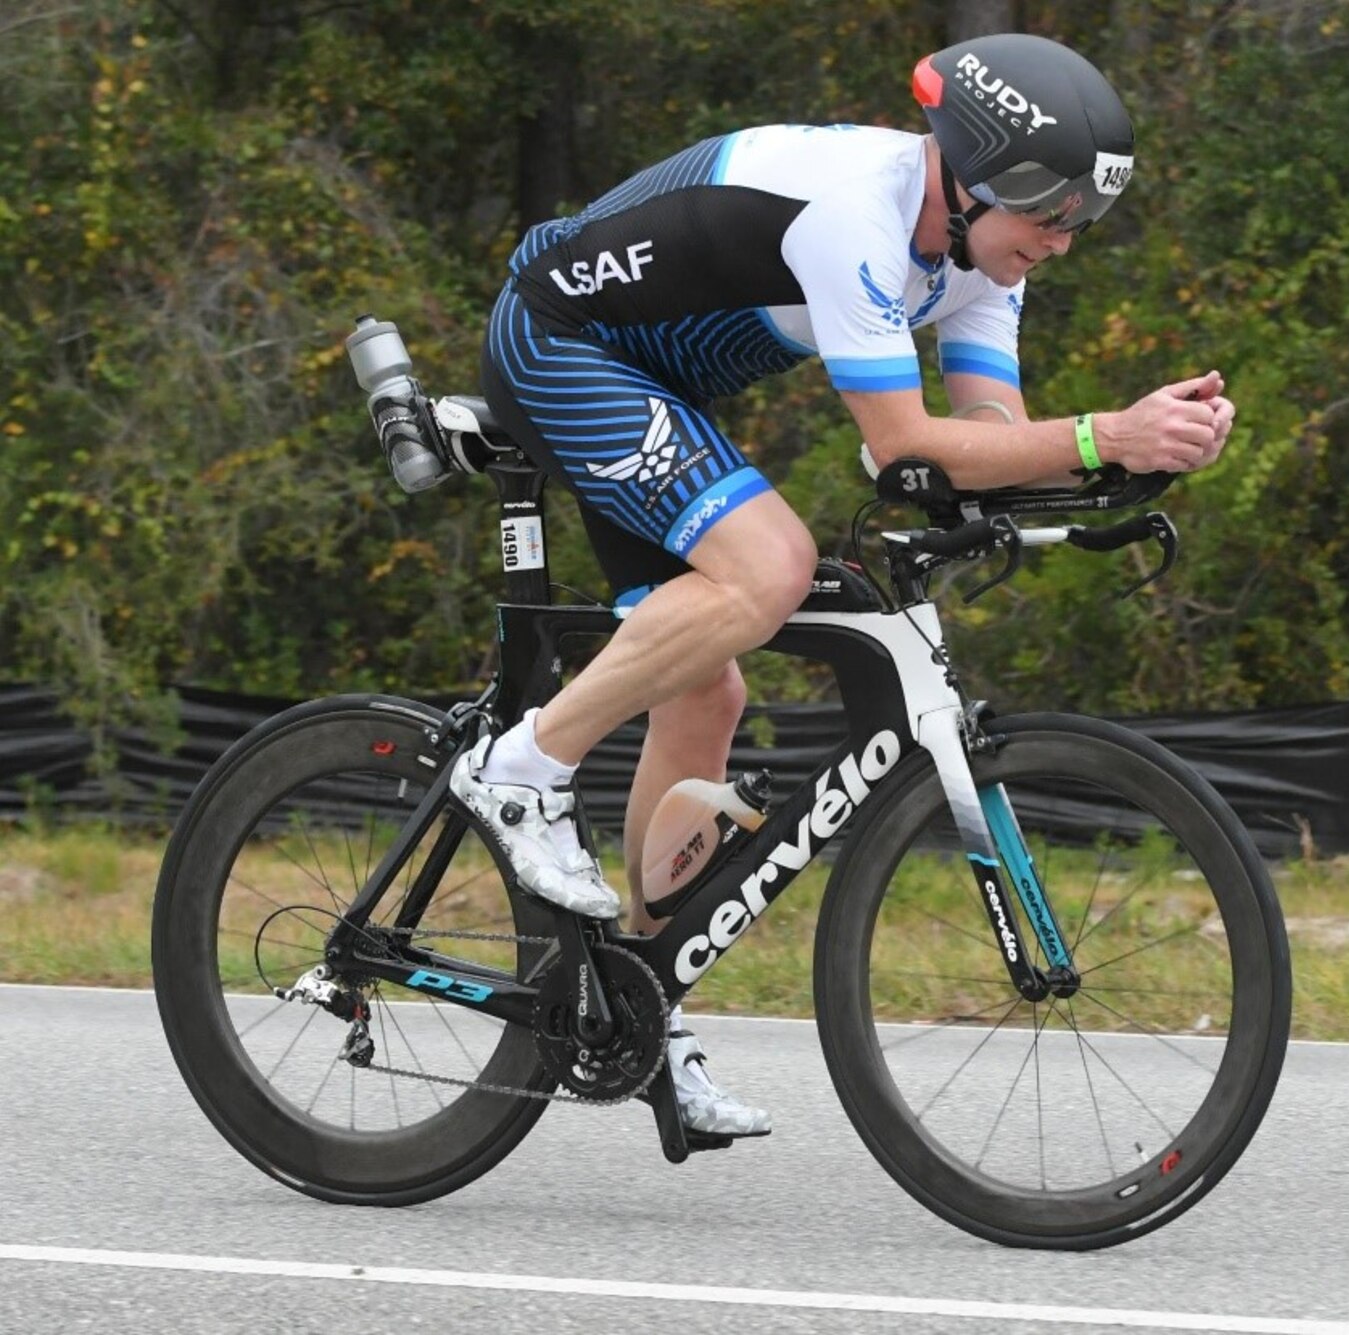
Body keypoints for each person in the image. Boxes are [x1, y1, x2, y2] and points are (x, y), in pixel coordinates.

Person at [451, 32, 1237, 1139]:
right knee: (767, 566)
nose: (1062, 243)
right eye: (1049, 215)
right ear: (971, 180)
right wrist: (1105, 431)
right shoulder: (854, 218)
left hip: (653, 385)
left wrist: (1135, 451)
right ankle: (518, 770)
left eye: (1079, 222)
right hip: (561, 342)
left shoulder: (976, 262)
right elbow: (905, 440)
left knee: (707, 692)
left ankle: (638, 1005)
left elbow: (973, 446)